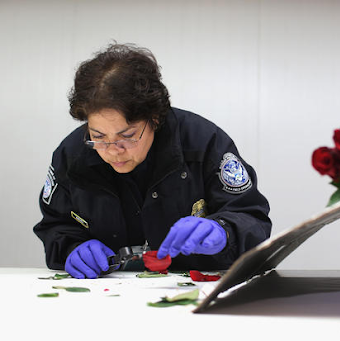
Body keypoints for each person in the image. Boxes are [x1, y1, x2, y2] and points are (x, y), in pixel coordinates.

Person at [33, 43, 272, 279]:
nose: (113, 151)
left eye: (127, 136)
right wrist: (71, 249)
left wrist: (224, 232)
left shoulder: (203, 142)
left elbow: (253, 219)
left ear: (155, 118)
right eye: (98, 137)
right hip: (106, 296)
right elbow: (55, 227)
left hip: (195, 292)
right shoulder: (71, 155)